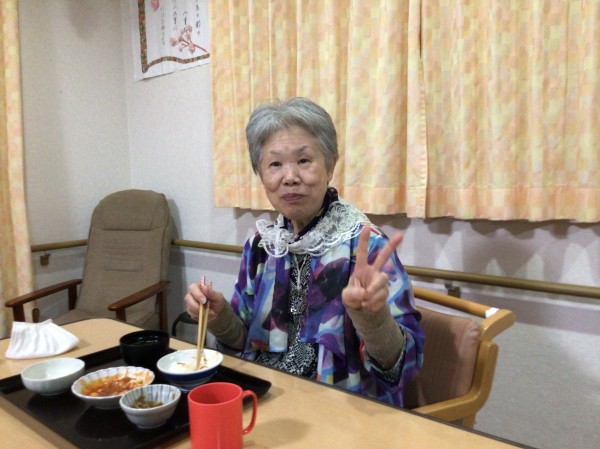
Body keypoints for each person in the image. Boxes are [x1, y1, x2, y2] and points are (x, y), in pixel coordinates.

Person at [185, 97, 424, 406]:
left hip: (341, 411)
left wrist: (373, 320)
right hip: (264, 398)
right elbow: (244, 342)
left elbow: (405, 369)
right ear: (260, 174)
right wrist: (219, 318)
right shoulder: (261, 247)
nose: (290, 177)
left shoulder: (367, 247)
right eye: (275, 164)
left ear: (330, 165)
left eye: (303, 160)